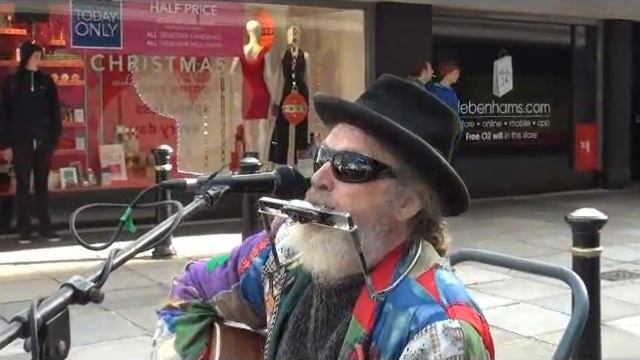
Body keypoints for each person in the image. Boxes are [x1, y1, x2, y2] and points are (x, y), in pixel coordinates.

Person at [150, 74, 494, 360]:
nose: (319, 178)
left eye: (350, 166)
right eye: (321, 158)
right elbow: (188, 292)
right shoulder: (288, 254)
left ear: (407, 202)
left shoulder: (438, 332)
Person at [0, 41, 61, 244]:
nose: (38, 59)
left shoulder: (46, 81)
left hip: (43, 139)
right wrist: (6, 144)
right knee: (23, 184)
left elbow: (55, 111)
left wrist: (54, 137)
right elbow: (4, 114)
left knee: (42, 184)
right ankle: (24, 228)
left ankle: (46, 227)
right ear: (26, 57)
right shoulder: (12, 82)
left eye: (39, 56)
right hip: (20, 140)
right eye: (35, 56)